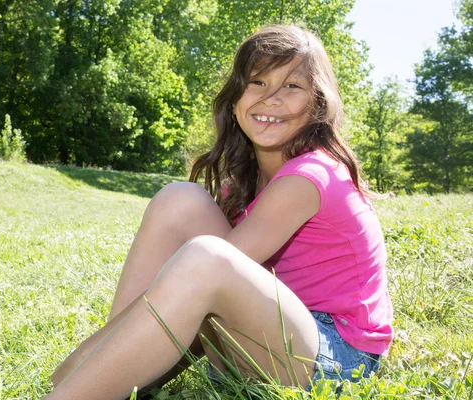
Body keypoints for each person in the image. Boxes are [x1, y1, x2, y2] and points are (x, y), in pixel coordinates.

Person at [45, 24, 393, 400]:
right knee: (180, 199)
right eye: (257, 82)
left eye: (292, 87)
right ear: (235, 97)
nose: (271, 99)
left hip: (334, 357)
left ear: (318, 102)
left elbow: (209, 273)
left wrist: (82, 356)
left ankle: (84, 383)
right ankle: (113, 373)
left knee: (207, 256)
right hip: (269, 328)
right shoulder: (246, 177)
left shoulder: (309, 178)